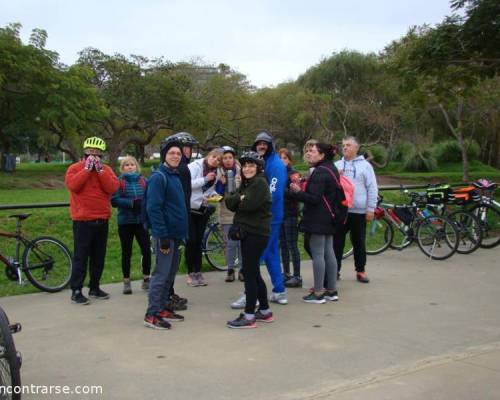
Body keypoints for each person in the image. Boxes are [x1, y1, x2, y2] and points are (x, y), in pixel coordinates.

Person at [65, 137, 119, 305]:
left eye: (97, 153)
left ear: (102, 154)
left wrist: (100, 171)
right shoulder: (75, 168)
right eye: (91, 152)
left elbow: (112, 188)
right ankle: (76, 290)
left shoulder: (107, 169)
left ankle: (94, 287)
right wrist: (87, 170)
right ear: (85, 152)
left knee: (98, 256)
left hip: (101, 218)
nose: (94, 155)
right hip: (82, 219)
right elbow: (73, 185)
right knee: (81, 256)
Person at [144, 138, 188, 330]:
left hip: (176, 234)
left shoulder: (174, 175)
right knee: (161, 275)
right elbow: (154, 208)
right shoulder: (158, 177)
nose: (175, 156)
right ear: (164, 155)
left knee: (169, 275)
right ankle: (152, 314)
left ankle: (162, 308)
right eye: (172, 153)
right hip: (165, 235)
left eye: (178, 153)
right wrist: (161, 235)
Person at [225, 151, 273, 328]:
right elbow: (230, 203)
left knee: (250, 274)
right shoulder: (247, 184)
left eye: (251, 165)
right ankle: (266, 311)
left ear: (258, 167)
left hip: (256, 234)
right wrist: (239, 197)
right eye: (244, 165)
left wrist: (239, 199)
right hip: (249, 233)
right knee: (254, 272)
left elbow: (248, 205)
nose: (247, 168)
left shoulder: (259, 183)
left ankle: (249, 315)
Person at [288, 143, 340, 303]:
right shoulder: (332, 168)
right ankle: (331, 290)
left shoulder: (319, 172)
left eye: (313, 151)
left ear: (322, 155)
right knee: (329, 252)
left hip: (318, 218)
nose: (309, 154)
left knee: (318, 254)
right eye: (308, 151)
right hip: (331, 216)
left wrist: (297, 192)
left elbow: (314, 198)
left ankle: (318, 293)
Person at [334, 136, 378, 283]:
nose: (344, 148)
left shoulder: (365, 166)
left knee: (359, 242)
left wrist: (371, 209)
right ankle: (334, 271)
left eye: (348, 145)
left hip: (359, 212)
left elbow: (372, 188)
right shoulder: (336, 165)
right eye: (343, 145)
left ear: (356, 148)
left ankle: (361, 271)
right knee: (336, 242)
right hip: (341, 210)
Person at [165, 132, 198, 311]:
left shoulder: (181, 167)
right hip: (176, 220)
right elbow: (183, 197)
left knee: (172, 262)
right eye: (186, 147)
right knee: (169, 263)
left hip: (179, 217)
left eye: (187, 148)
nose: (187, 151)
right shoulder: (182, 168)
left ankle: (169, 292)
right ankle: (166, 295)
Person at [111, 155, 151, 294]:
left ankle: (146, 279)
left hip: (141, 221)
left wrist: (144, 205)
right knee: (126, 252)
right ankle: (126, 281)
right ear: (122, 168)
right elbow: (114, 200)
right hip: (125, 222)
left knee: (146, 250)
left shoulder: (143, 180)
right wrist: (131, 203)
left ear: (136, 166)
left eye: (132, 164)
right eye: (126, 165)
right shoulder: (119, 182)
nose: (130, 167)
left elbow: (149, 197)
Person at [186, 148, 222, 286]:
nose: (215, 160)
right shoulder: (194, 167)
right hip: (190, 209)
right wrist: (205, 179)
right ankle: (190, 273)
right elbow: (188, 184)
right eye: (213, 157)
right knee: (191, 241)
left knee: (199, 241)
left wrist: (212, 196)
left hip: (202, 209)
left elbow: (209, 190)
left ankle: (198, 272)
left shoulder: (216, 172)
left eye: (218, 160)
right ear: (208, 156)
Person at [215, 146, 243, 282]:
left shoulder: (241, 171)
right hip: (226, 213)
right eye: (225, 158)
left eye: (230, 157)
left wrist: (239, 183)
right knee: (230, 243)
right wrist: (221, 184)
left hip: (241, 213)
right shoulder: (218, 173)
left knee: (241, 243)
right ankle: (230, 270)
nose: (227, 160)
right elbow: (218, 195)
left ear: (234, 159)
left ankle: (242, 269)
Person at [278, 148, 302, 288]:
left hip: (291, 214)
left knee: (292, 245)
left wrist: (281, 189)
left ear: (290, 160)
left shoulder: (293, 174)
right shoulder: (277, 174)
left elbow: (296, 193)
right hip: (279, 214)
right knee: (283, 245)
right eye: (280, 158)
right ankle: (286, 273)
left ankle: (297, 275)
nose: (282, 161)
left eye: (285, 158)